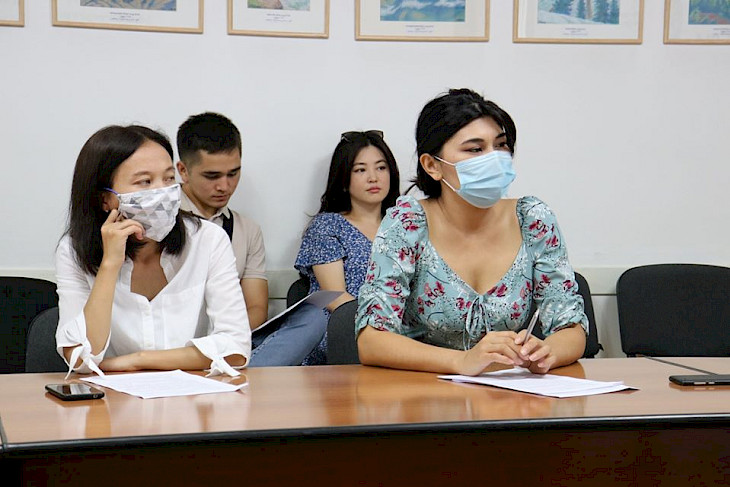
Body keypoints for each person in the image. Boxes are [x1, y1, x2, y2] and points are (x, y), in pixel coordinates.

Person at [356, 89, 588, 375]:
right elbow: (372, 341)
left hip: (508, 392)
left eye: (501, 145)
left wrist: (547, 352)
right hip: (422, 388)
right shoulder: (407, 224)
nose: (494, 158)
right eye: (475, 150)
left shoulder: (532, 219)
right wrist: (462, 361)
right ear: (432, 165)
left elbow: (571, 328)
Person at [56, 125, 251, 377]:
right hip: (110, 398)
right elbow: (81, 358)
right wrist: (109, 265)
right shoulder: (73, 250)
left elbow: (236, 348)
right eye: (145, 182)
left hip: (194, 394)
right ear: (105, 199)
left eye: (169, 178)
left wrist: (139, 360)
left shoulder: (208, 239)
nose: (162, 192)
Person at [176, 112, 326, 366]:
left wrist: (228, 343)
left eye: (233, 173)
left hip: (231, 345)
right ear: (183, 171)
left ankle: (236, 368)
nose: (224, 186)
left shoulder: (247, 229)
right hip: (178, 348)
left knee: (314, 318)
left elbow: (256, 308)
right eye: (212, 176)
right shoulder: (164, 222)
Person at [295, 130, 400, 364]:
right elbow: (336, 298)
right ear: (344, 178)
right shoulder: (327, 226)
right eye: (360, 170)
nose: (373, 178)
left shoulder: (405, 225)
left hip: (399, 332)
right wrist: (383, 331)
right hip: (344, 332)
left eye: (381, 168)